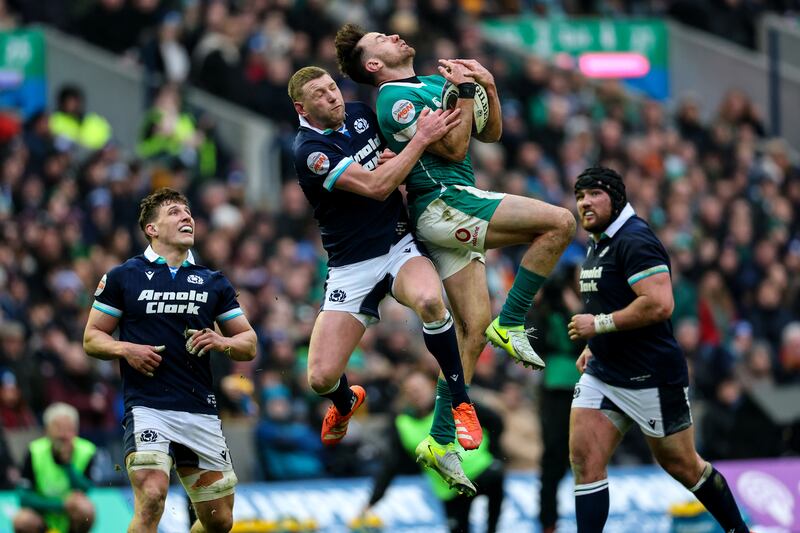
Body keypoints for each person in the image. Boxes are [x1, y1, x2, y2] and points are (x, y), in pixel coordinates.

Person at [333, 23, 574, 476]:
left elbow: (490, 133)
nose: (394, 36)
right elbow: (454, 145)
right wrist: (463, 91)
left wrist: (486, 85)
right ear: (373, 65)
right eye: (382, 39)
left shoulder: (428, 84)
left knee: (473, 328)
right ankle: (516, 318)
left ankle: (441, 440)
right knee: (560, 222)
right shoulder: (392, 99)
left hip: (454, 204)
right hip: (443, 203)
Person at [288, 65, 479, 495]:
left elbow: (395, 163)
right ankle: (344, 401)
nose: (333, 97)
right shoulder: (309, 150)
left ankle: (461, 402)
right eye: (320, 95)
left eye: (333, 88)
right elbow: (376, 186)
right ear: (302, 108)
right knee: (319, 378)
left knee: (431, 301)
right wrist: (420, 139)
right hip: (350, 267)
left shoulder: (360, 113)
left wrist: (404, 153)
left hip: (397, 245)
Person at [566, 166, 751, 533]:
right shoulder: (599, 239)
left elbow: (659, 304)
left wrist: (599, 325)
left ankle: (738, 531)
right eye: (580, 196)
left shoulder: (635, 239)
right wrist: (595, 343)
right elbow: (610, 296)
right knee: (585, 460)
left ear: (615, 199)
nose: (584, 203)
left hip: (650, 375)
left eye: (594, 194)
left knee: (683, 466)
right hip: (604, 372)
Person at [83, 188, 257, 533]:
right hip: (148, 406)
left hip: (199, 409)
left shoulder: (213, 281)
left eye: (188, 212)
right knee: (151, 496)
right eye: (175, 212)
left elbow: (248, 343)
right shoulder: (123, 276)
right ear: (152, 229)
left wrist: (222, 341)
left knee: (219, 520)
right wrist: (126, 349)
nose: (187, 217)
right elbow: (92, 338)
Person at [363, 371, 505, 533]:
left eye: (419, 388)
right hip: (450, 489)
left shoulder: (454, 403)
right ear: (405, 396)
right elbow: (390, 465)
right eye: (410, 391)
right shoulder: (403, 424)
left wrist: (495, 455)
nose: (416, 394)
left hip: (482, 470)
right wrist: (372, 502)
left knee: (494, 497)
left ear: (432, 387)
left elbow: (495, 421)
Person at [531, 267, 583, 533]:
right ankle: (548, 522)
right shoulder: (544, 311)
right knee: (553, 457)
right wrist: (537, 304)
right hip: (554, 388)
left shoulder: (583, 308)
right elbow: (531, 342)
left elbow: (585, 342)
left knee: (580, 456)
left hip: (580, 383)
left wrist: (576, 309)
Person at [13, 403, 96, 533]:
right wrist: (60, 505)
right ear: (46, 430)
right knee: (22, 520)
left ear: (76, 431)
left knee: (85, 509)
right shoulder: (34, 451)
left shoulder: (87, 451)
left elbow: (86, 488)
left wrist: (68, 465)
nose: (63, 435)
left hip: (70, 516)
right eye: (58, 427)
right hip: (43, 513)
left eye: (68, 428)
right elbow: (23, 497)